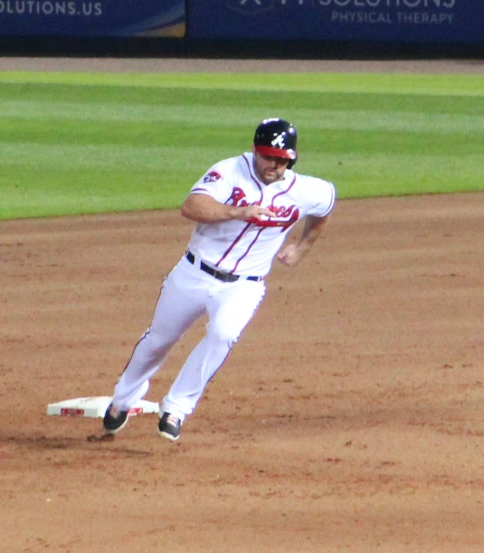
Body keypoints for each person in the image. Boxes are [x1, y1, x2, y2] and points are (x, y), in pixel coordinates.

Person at [101, 119, 335, 441]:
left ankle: (176, 409)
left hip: (245, 285)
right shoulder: (229, 171)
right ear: (255, 150)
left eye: (281, 159)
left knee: (224, 334)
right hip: (194, 273)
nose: (274, 164)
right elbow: (192, 205)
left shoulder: (308, 190)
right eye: (268, 156)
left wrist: (302, 247)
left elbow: (326, 206)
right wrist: (239, 212)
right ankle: (122, 399)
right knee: (158, 341)